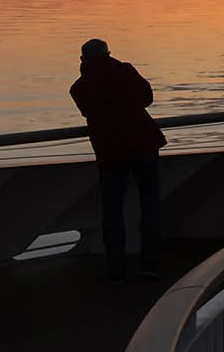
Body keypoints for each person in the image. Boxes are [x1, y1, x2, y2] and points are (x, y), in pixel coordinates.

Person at [71, 38, 167, 282]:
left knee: (112, 211)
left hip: (110, 151)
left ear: (84, 59)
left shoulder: (80, 87)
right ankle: (150, 263)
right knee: (150, 205)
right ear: (108, 54)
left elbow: (88, 110)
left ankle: (115, 268)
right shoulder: (125, 71)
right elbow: (147, 98)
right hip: (143, 144)